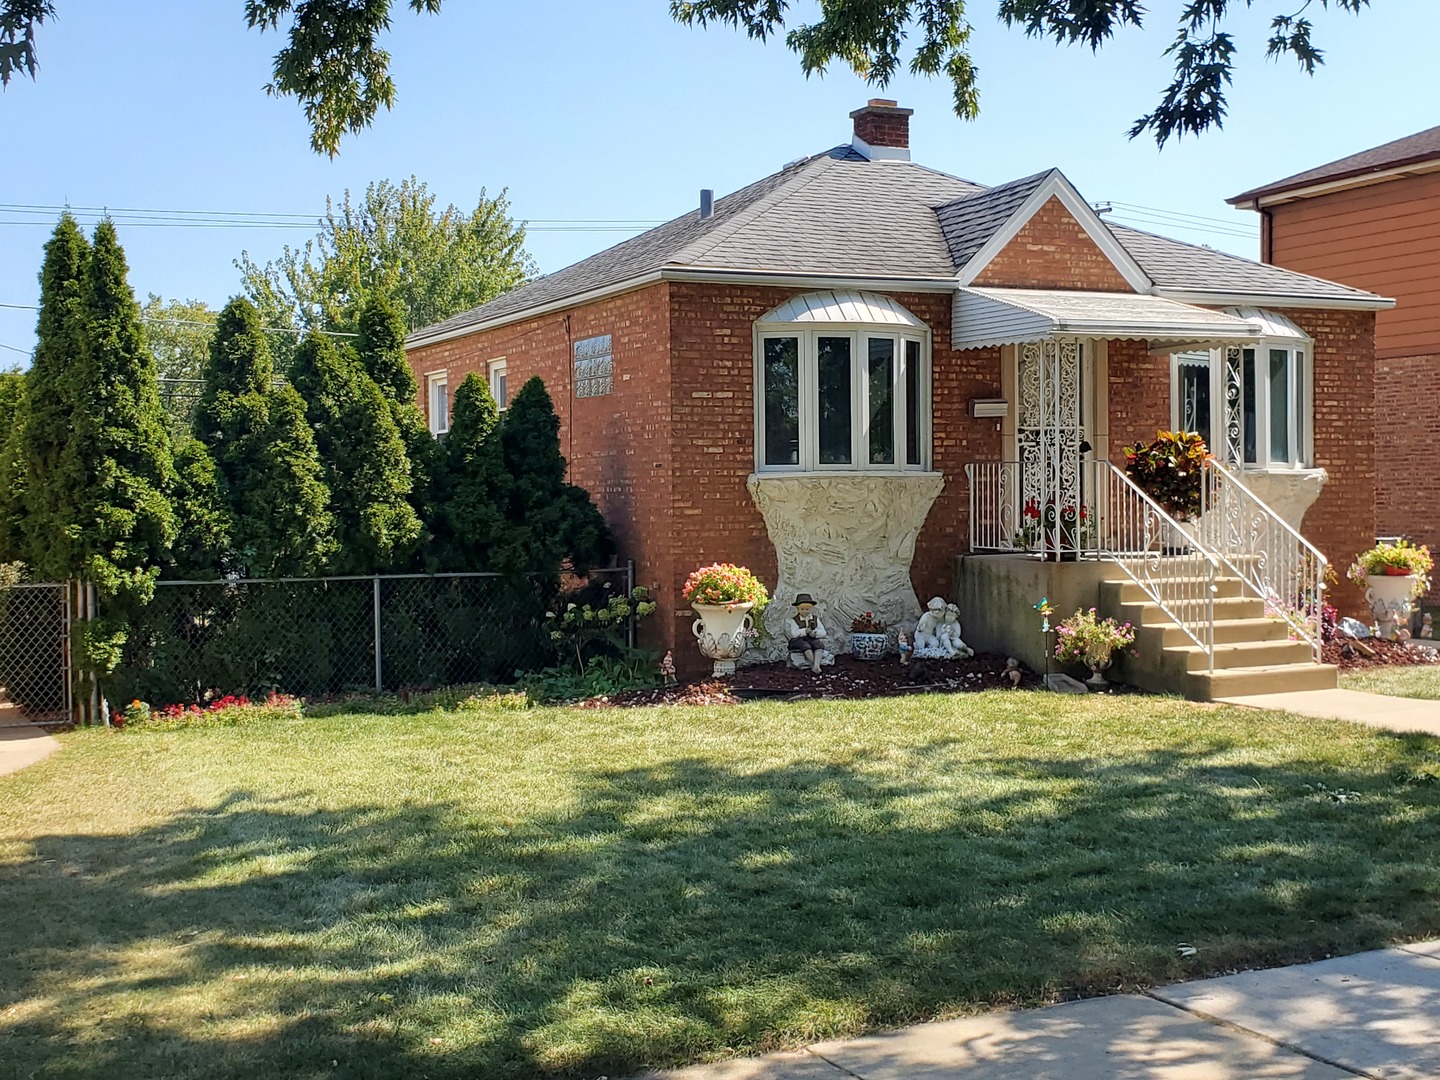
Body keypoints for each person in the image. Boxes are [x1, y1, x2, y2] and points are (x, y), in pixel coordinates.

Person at [786, 593, 828, 674]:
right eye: (802, 609)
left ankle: (816, 666)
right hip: (798, 640)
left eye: (807, 609)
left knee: (818, 644)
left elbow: (823, 632)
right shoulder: (794, 620)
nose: (805, 611)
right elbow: (793, 634)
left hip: (811, 638)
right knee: (805, 646)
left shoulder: (815, 619)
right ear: (798, 609)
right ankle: (814, 664)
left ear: (811, 609)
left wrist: (816, 633)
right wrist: (804, 631)